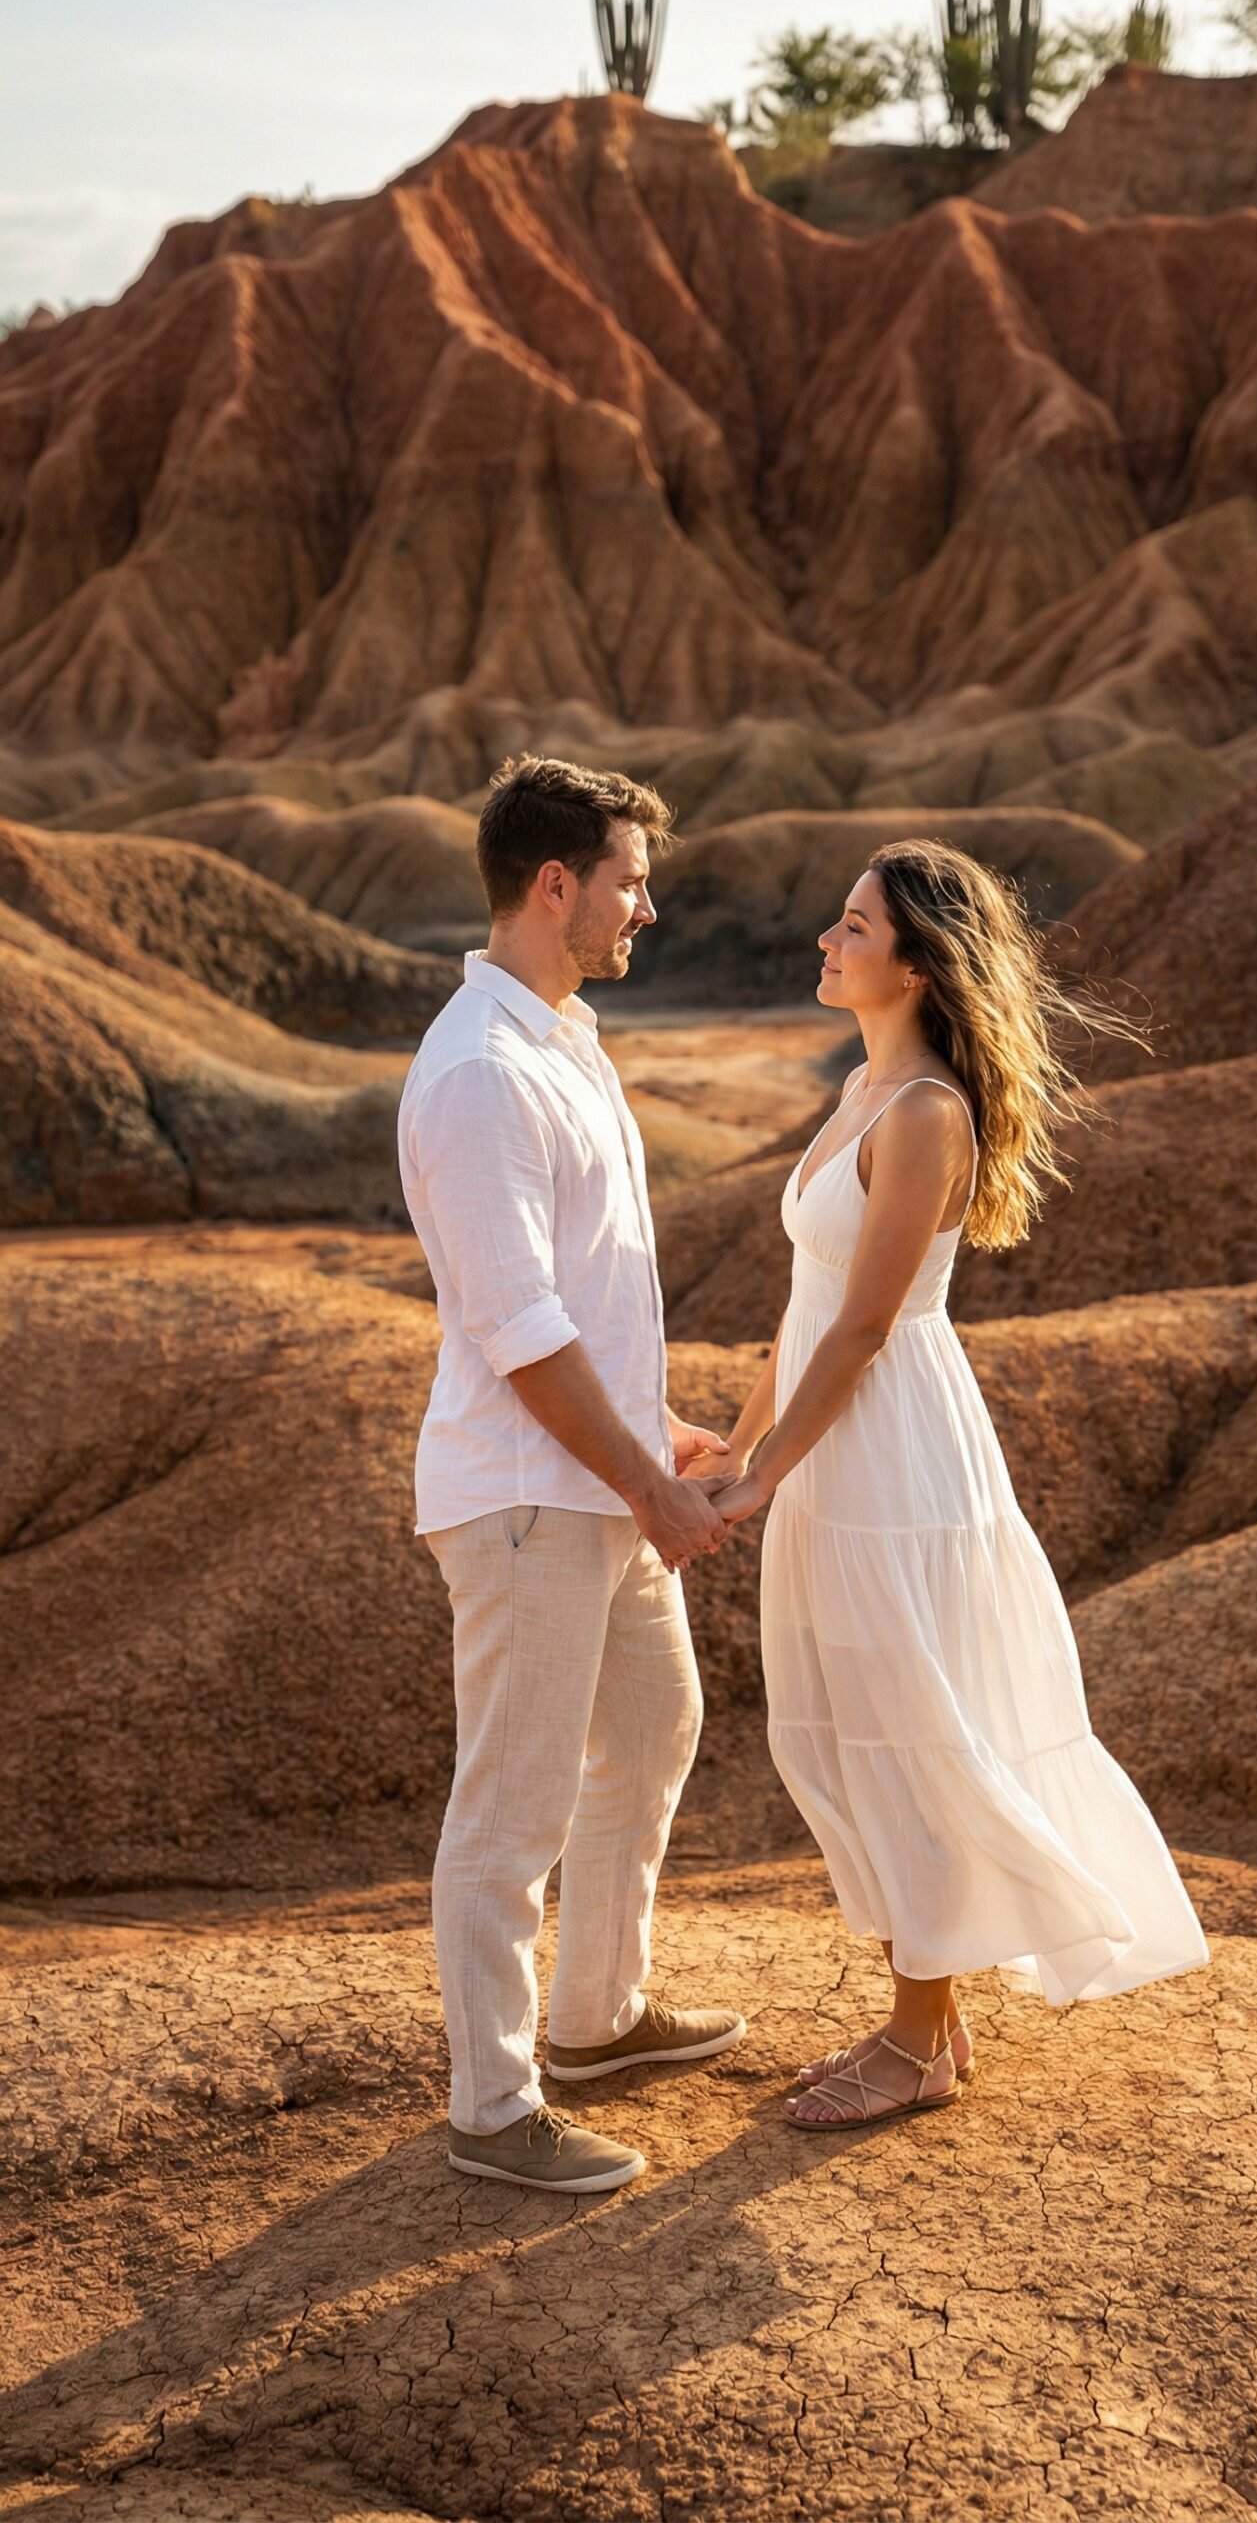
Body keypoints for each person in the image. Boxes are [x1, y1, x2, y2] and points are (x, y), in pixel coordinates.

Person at [701, 840, 1208, 2129]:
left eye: (855, 926)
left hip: (891, 1453)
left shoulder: (925, 1111)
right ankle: (924, 2016)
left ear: (919, 967)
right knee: (857, 1720)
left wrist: (765, 1474)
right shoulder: (865, 1092)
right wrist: (738, 1438)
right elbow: (805, 1311)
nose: (827, 935)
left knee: (907, 1718)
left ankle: (923, 2036)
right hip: (836, 1441)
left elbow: (867, 1328)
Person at [399, 755, 746, 2195]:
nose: (644, 908)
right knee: (513, 1804)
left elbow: (589, 1303)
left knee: (656, 1729)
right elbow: (520, 1327)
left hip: (590, 1479)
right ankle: (494, 2104)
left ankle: (599, 2017)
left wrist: (652, 1437)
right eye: (628, 881)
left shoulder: (561, 1039)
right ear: (556, 887)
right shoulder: (479, 1072)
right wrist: (652, 1485)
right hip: (528, 1501)